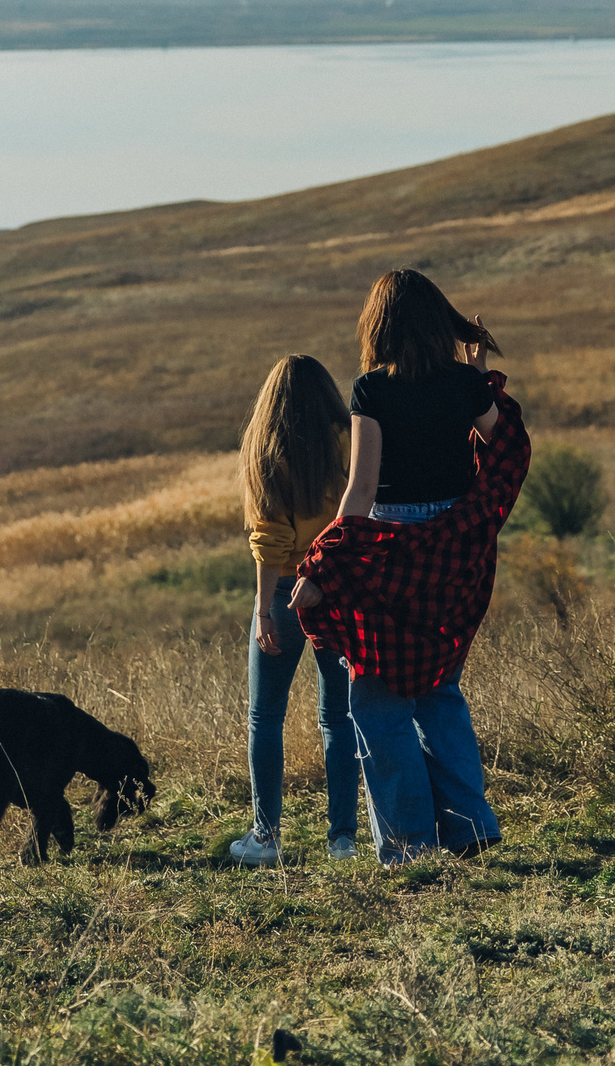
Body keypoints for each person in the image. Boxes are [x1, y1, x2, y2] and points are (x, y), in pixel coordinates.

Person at [289, 270, 528, 865]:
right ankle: (469, 827)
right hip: (455, 550)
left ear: (380, 326)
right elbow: (506, 448)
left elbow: (361, 491)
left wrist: (322, 562)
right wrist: (478, 379)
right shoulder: (465, 385)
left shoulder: (372, 390)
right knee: (440, 688)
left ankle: (408, 846)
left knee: (378, 700)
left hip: (388, 551)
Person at [225, 355, 363, 866]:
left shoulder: (267, 451)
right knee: (339, 717)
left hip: (284, 588)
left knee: (265, 716)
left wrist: (264, 610)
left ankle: (266, 838)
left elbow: (271, 541)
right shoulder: (347, 440)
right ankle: (343, 840)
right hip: (337, 590)